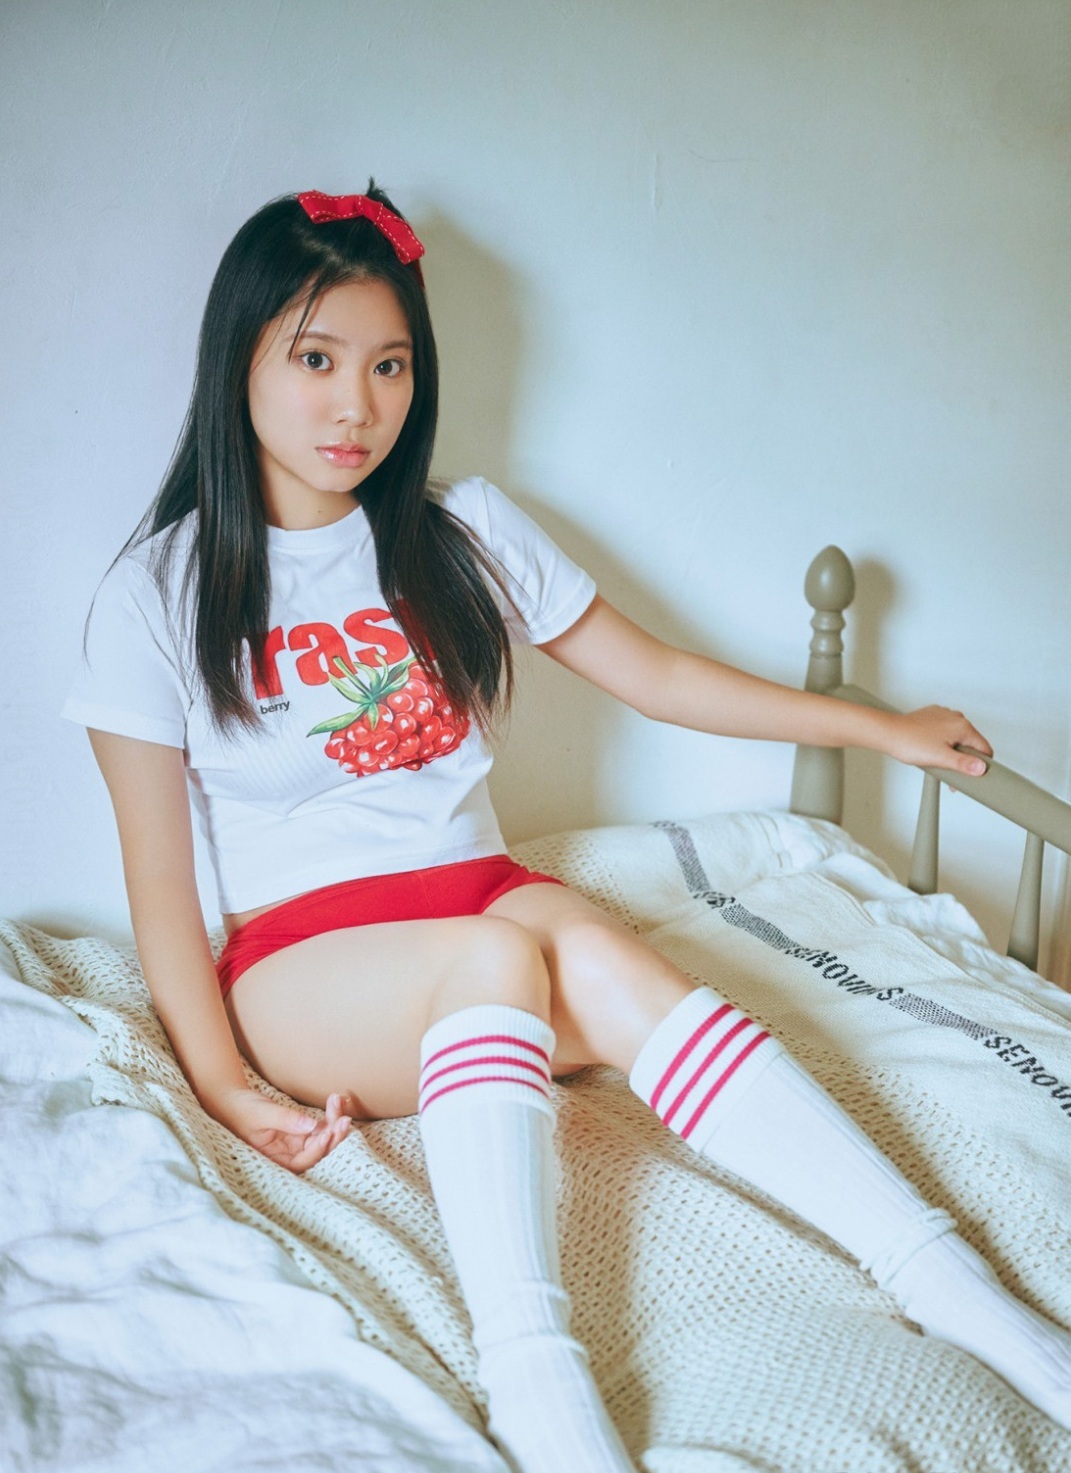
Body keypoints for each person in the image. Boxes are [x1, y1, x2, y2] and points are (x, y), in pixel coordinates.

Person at [63, 184, 1071, 1473]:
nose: (356, 405)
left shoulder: (463, 533)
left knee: (597, 949)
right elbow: (159, 885)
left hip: (481, 893)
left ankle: (950, 1285)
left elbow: (661, 677)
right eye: (316, 360)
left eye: (388, 365)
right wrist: (227, 1086)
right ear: (238, 361)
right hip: (302, 963)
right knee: (505, 956)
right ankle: (534, 1377)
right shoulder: (160, 590)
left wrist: (878, 730)